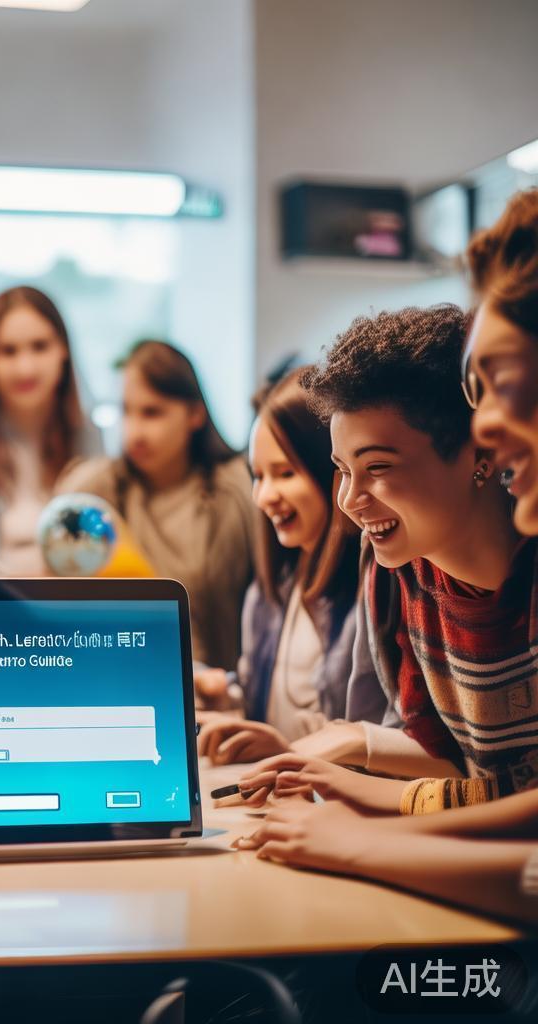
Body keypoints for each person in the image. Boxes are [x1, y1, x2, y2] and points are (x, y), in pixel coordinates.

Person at [235, 189, 538, 929]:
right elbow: (473, 778)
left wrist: (368, 836)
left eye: (504, 385)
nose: (349, 501)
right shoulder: (398, 576)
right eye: (341, 470)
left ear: (473, 455)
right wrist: (368, 799)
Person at [195, 368, 380, 765]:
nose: (264, 496)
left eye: (284, 473)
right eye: (258, 476)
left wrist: (289, 751)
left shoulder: (377, 586)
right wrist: (226, 697)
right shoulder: (271, 590)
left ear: (332, 469)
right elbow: (277, 707)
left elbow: (378, 739)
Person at [58, 339, 255, 670]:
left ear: (195, 414)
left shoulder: (234, 492)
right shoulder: (92, 491)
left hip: (213, 689)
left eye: (152, 412)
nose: (134, 431)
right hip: (112, 679)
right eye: (125, 411)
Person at [0, 285, 101, 575]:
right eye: (8, 351)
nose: (25, 368)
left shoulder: (92, 439)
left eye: (40, 346)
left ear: (63, 350)